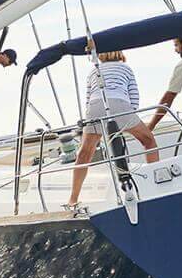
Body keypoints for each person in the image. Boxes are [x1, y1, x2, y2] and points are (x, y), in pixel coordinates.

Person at [65, 51, 160, 207]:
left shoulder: (93, 71)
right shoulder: (126, 69)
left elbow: (88, 100)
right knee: (149, 141)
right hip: (121, 105)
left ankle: (73, 199)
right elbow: (134, 97)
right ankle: (155, 185)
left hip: (95, 106)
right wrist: (125, 123)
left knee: (84, 153)